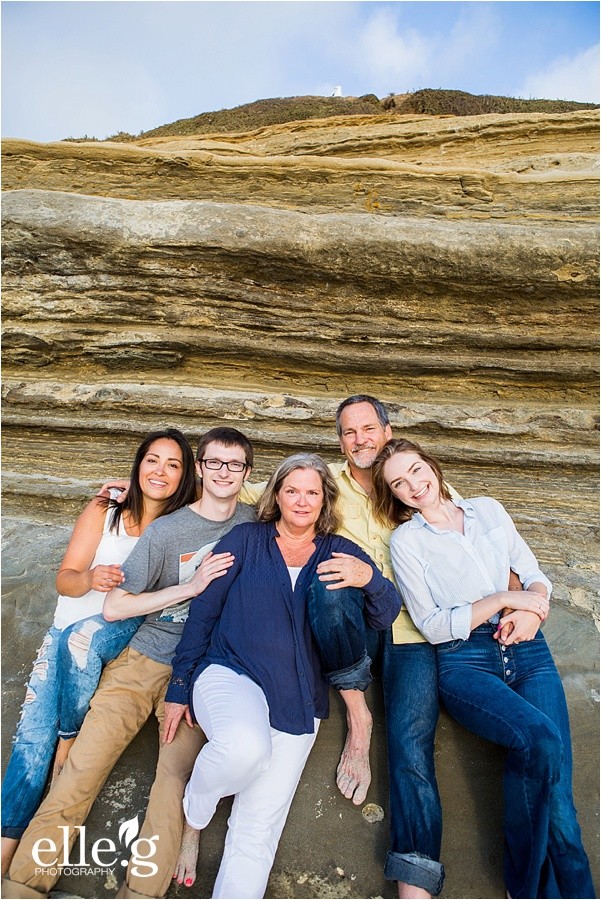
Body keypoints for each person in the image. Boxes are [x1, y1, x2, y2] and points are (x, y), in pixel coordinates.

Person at [2, 427, 257, 900]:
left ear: (247, 473)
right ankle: (23, 887)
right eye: (213, 463)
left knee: (171, 783)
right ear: (200, 469)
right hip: (141, 658)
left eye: (235, 464)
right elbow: (116, 606)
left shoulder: (254, 521)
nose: (224, 472)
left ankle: (140, 894)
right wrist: (189, 586)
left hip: (202, 671)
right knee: (82, 770)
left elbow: (301, 499)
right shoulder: (167, 530)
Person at [241, 395, 466, 899]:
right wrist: (152, 493)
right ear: (339, 439)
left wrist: (521, 596)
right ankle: (358, 716)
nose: (360, 439)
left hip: (414, 631)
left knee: (412, 748)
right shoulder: (324, 484)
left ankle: (416, 883)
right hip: (354, 625)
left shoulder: (415, 480)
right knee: (329, 582)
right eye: (349, 432)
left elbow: (474, 532)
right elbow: (237, 485)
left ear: (387, 431)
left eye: (369, 428)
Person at [162, 453, 401, 899]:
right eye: (292, 490)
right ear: (277, 495)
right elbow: (203, 614)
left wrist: (368, 577)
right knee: (244, 749)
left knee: (257, 831)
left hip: (298, 699)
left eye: (312, 491)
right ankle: (194, 818)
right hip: (232, 674)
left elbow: (384, 612)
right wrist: (179, 686)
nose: (302, 500)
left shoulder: (339, 550)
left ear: (326, 499)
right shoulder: (244, 539)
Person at [372, 438, 595, 900]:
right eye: (398, 482)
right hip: (465, 658)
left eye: (416, 470)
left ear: (431, 465)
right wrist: (503, 599)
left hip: (529, 647)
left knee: (561, 803)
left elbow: (532, 573)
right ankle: (524, 884)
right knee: (539, 738)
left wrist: (533, 609)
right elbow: (433, 625)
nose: (413, 485)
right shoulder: (408, 541)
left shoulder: (488, 510)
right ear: (393, 494)